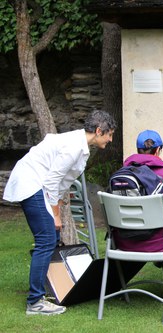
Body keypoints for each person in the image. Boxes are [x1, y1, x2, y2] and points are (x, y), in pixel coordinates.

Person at [3, 110, 117, 315]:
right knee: (46, 239)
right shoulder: (74, 146)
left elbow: (61, 179)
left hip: (39, 185)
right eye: (109, 135)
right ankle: (35, 302)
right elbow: (51, 181)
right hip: (32, 183)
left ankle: (49, 290)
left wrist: (61, 199)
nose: (110, 139)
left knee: (51, 238)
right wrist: (56, 215)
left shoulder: (80, 146)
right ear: (99, 131)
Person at [112, 130, 163, 297]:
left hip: (124, 241)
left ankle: (115, 285)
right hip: (158, 242)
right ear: (158, 149)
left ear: (138, 150)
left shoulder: (121, 174)